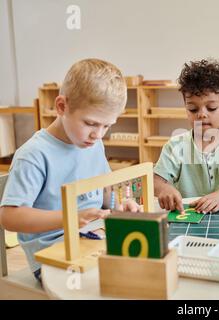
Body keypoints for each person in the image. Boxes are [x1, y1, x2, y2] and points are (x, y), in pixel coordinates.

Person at [0, 58, 140, 283]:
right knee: (110, 284)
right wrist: (71, 217)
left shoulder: (94, 144)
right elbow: (9, 217)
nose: (98, 134)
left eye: (107, 125)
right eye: (91, 123)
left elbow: (104, 191)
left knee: (144, 267)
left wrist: (119, 205)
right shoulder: (34, 155)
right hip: (51, 255)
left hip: (94, 238)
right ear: (62, 106)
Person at [154, 59, 219, 214]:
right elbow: (155, 181)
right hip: (187, 216)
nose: (201, 114)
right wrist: (164, 189)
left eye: (211, 108)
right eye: (193, 109)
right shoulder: (175, 145)